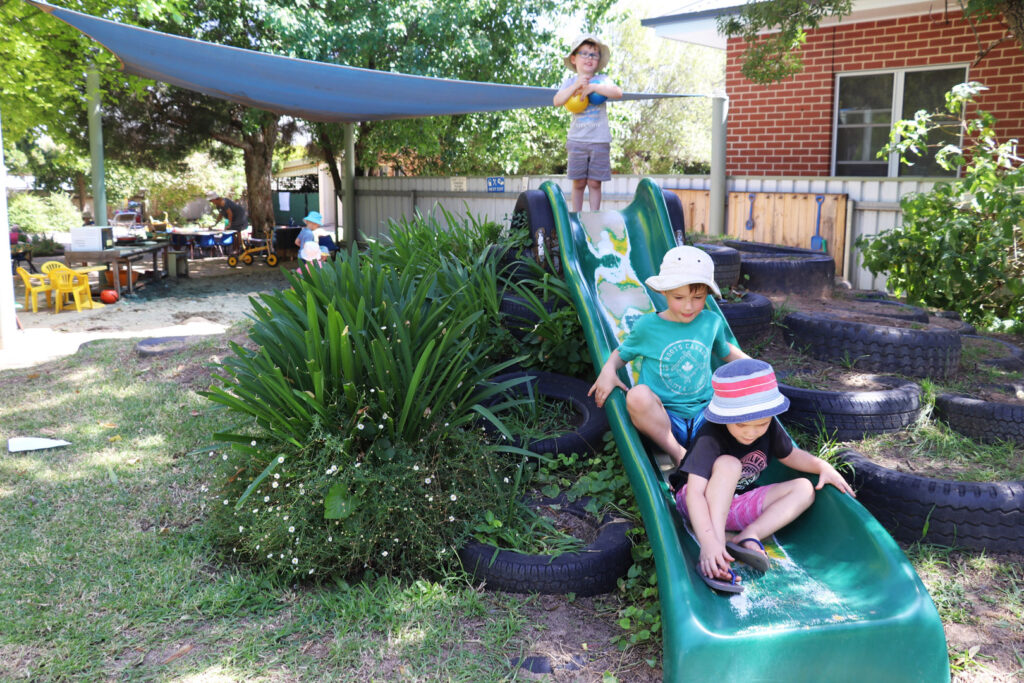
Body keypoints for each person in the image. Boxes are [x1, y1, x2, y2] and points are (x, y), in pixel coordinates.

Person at [673, 358, 856, 593]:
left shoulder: (768, 425)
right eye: (741, 425)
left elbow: (790, 455)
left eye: (760, 424)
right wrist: (708, 543)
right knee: (729, 464)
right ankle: (717, 549)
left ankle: (748, 536)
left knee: (804, 488)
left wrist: (823, 467)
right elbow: (695, 494)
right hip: (699, 503)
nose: (751, 432)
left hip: (736, 503)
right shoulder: (710, 434)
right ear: (724, 417)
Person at [589, 246, 748, 467]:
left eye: (698, 297)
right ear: (664, 292)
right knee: (637, 396)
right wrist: (608, 370)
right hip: (664, 420)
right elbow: (621, 354)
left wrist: (755, 367)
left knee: (743, 392)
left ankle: (716, 455)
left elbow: (725, 351)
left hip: (707, 415)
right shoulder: (648, 326)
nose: (688, 306)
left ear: (707, 295)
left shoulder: (711, 322)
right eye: (679, 297)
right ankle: (677, 453)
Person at [552, 34, 623, 212]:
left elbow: (618, 92)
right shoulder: (569, 82)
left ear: (598, 61)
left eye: (594, 55)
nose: (589, 58)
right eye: (584, 53)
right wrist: (575, 86)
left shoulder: (602, 80)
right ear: (574, 59)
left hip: (599, 140)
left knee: (594, 182)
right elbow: (557, 101)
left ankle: (594, 216)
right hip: (577, 140)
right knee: (579, 182)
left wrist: (594, 87)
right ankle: (576, 216)